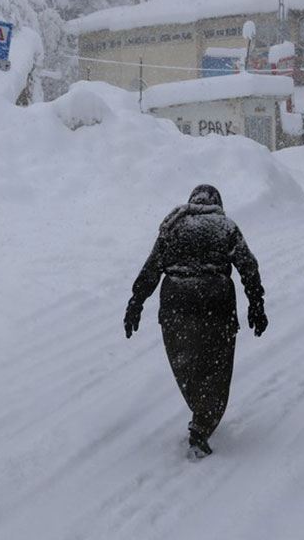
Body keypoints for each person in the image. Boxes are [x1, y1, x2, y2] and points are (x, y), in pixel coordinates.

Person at [124, 184, 267, 458]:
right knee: (217, 368)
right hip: (216, 306)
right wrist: (256, 304)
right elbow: (248, 267)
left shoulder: (173, 225)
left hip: (176, 306)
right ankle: (202, 423)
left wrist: (135, 303)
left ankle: (200, 410)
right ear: (217, 203)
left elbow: (152, 267)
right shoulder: (225, 226)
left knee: (186, 365)